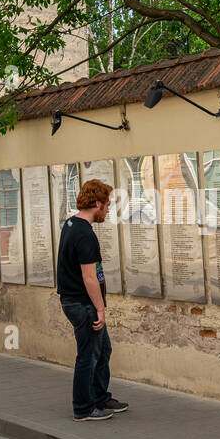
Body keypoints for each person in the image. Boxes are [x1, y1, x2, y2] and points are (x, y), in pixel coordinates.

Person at [56, 178, 128, 421]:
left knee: (102, 349)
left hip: (74, 301)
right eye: (106, 205)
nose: (108, 209)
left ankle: (99, 397)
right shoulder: (85, 234)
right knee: (88, 354)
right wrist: (100, 308)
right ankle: (83, 408)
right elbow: (89, 277)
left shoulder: (71, 224)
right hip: (82, 303)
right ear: (96, 203)